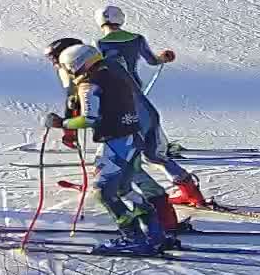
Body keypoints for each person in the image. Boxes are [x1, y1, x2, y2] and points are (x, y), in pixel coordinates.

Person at [45, 43, 170, 255]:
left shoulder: (89, 84)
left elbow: (89, 118)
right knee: (125, 189)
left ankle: (132, 237)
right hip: (133, 137)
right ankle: (155, 233)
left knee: (103, 192)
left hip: (117, 143)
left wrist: (62, 124)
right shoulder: (113, 73)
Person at [94, 6, 207, 207]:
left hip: (121, 104)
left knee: (122, 153)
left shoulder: (99, 44)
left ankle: (129, 195)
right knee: (154, 154)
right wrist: (164, 57)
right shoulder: (137, 39)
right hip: (140, 100)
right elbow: (153, 61)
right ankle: (191, 192)